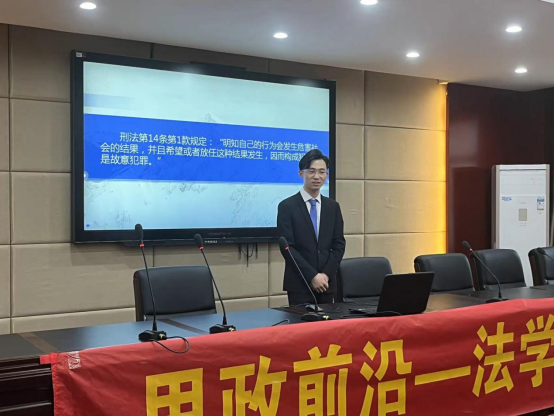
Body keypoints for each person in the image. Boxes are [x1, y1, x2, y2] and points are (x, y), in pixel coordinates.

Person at [277, 149, 346, 306]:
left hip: (326, 284)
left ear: (326, 175)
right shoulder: (287, 206)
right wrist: (312, 276)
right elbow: (288, 248)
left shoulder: (333, 207)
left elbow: (339, 244)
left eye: (322, 172)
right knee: (301, 322)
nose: (317, 176)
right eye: (312, 171)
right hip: (299, 284)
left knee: (328, 322)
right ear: (301, 173)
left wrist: (325, 274)